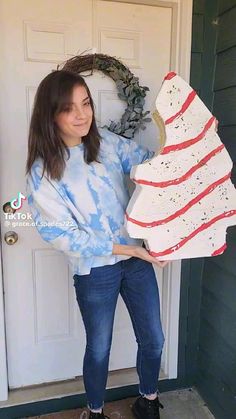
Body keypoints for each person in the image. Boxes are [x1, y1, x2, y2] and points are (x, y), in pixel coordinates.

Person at [26, 69, 168, 419]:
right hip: (95, 271)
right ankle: (94, 411)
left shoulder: (106, 143)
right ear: (50, 115)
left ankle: (147, 399)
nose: (82, 114)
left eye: (86, 103)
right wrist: (128, 249)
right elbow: (62, 235)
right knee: (100, 348)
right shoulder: (43, 172)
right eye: (68, 108)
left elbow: (153, 168)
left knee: (154, 339)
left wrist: (174, 142)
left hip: (137, 261)